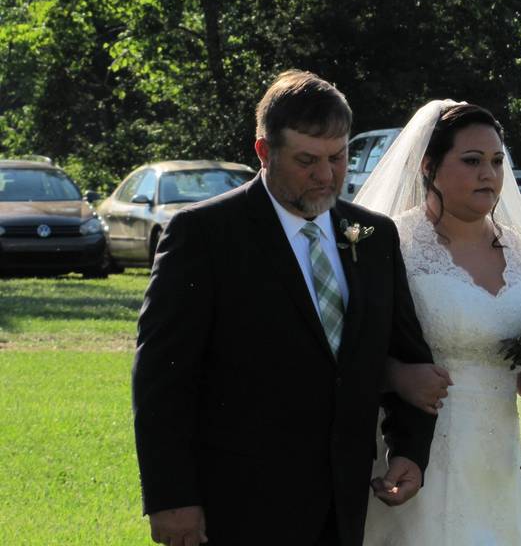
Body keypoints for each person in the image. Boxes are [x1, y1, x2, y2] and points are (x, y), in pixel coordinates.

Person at [132, 70, 437, 546]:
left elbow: (403, 353)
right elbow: (162, 378)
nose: (326, 175)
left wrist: (409, 450)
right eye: (306, 161)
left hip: (344, 502)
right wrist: (172, 498)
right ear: (263, 152)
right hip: (238, 503)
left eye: (338, 158)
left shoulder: (374, 236)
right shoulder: (204, 236)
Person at [354, 101, 521, 545]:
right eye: (471, 161)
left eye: (497, 161)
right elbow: (357, 349)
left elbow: (519, 370)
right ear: (429, 167)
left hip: (495, 457)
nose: (489, 174)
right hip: (416, 451)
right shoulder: (394, 245)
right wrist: (395, 375)